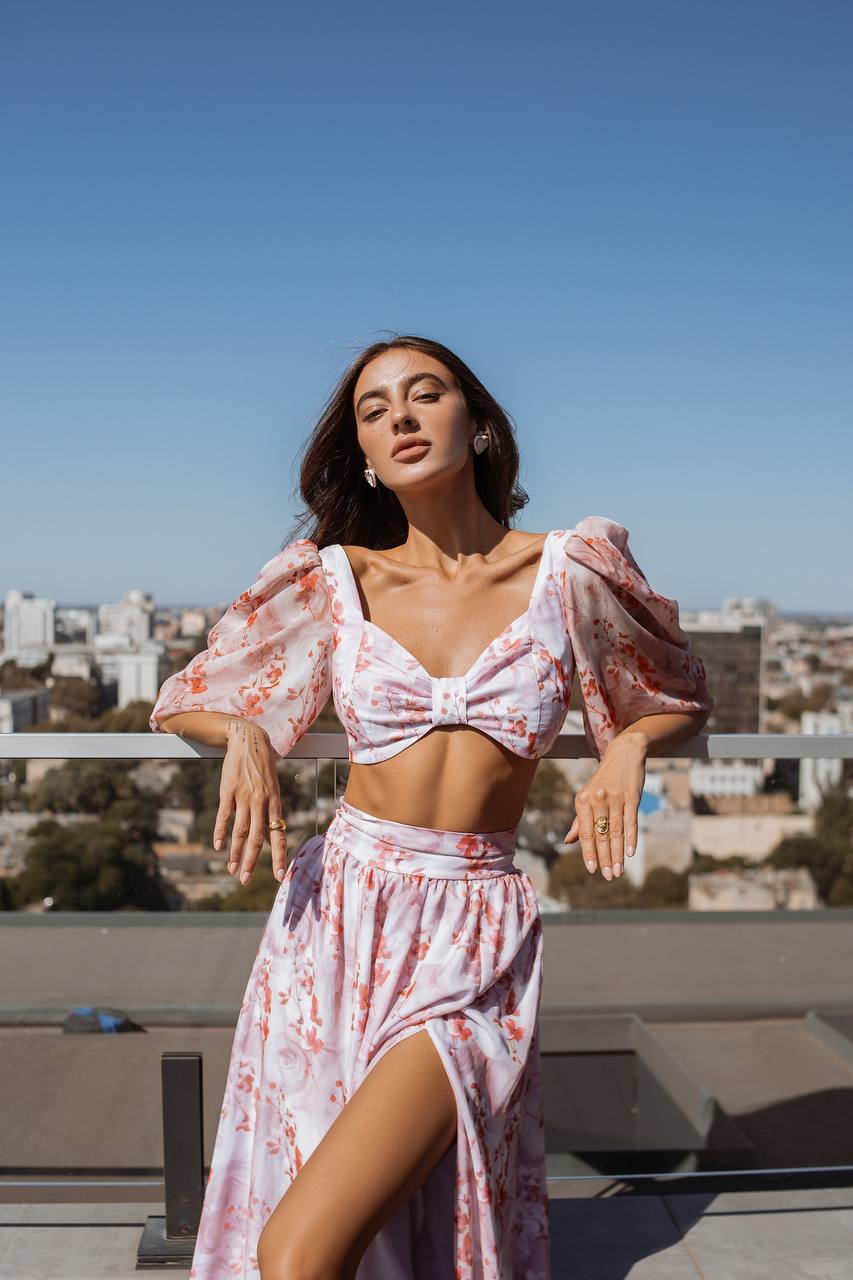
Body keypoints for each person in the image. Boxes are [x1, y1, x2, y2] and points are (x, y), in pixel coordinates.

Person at [149, 334, 714, 1280]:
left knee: (299, 1251)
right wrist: (244, 733)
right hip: (336, 917)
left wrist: (625, 742)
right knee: (347, 1237)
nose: (401, 417)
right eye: (375, 410)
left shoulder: (568, 571)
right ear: (362, 456)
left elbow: (678, 695)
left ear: (478, 422)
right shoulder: (332, 581)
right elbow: (188, 694)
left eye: (425, 394)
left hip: (474, 928)